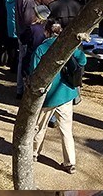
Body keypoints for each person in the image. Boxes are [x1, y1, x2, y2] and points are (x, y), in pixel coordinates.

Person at [31, 19, 86, 174]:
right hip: (66, 93)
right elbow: (83, 60)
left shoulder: (41, 49)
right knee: (66, 130)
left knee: (39, 127)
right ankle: (70, 163)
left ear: (46, 31)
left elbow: (33, 72)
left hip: (48, 96)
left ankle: (34, 153)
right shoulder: (67, 45)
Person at [15, 0, 43, 97]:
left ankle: (20, 88)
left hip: (21, 32)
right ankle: (22, 89)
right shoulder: (28, 0)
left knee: (22, 62)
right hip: (26, 36)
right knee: (26, 63)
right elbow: (29, 21)